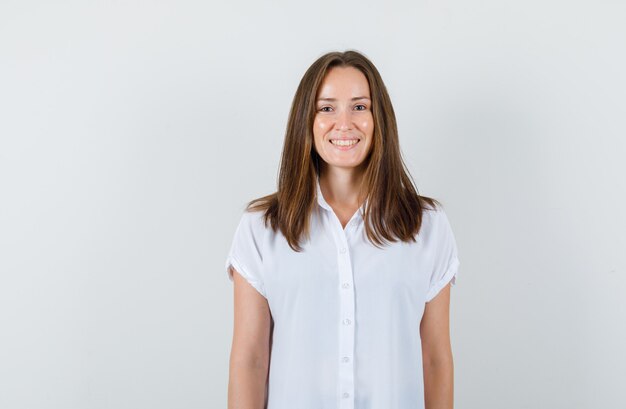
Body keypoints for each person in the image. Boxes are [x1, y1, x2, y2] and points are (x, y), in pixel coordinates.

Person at [225, 50, 460, 409]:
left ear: (379, 118)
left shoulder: (427, 225)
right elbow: (250, 360)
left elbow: (435, 359)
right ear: (307, 120)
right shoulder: (261, 228)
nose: (344, 123)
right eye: (327, 108)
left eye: (360, 107)